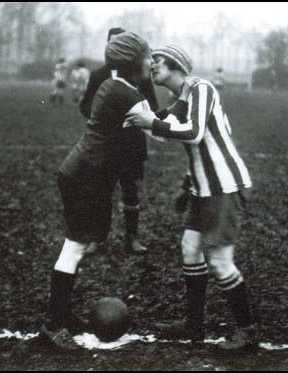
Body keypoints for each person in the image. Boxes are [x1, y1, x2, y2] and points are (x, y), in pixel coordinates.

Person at [125, 45, 258, 350]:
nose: (152, 67)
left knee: (221, 261)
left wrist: (150, 122)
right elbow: (163, 130)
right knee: (190, 248)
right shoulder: (181, 98)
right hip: (203, 188)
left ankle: (248, 330)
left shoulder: (201, 88)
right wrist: (137, 120)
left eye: (157, 63)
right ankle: (194, 326)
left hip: (224, 186)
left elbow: (195, 133)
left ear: (175, 65)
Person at [41, 32, 156, 350]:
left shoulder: (117, 86)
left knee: (76, 245)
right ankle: (52, 324)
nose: (152, 61)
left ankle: (61, 314)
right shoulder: (124, 92)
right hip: (84, 177)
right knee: (75, 246)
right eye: (148, 56)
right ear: (134, 61)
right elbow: (159, 127)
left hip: (83, 173)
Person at [80, 27, 159, 255]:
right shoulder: (98, 76)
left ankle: (132, 238)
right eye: (114, 44)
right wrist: (102, 115)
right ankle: (97, 239)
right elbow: (85, 105)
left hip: (131, 143)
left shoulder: (139, 75)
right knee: (101, 191)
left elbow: (152, 106)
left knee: (130, 190)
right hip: (105, 144)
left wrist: (135, 114)